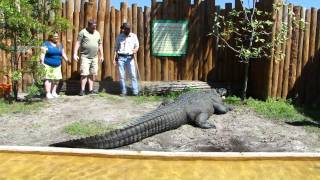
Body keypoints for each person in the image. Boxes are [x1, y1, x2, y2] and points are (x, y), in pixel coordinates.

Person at [73, 19, 104, 96]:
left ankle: (90, 90)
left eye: (95, 26)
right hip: (85, 57)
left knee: (92, 74)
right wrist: (74, 53)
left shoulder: (97, 33)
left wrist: (102, 55)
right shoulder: (83, 32)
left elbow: (100, 44)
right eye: (93, 27)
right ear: (89, 26)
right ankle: (82, 90)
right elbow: (78, 43)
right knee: (84, 74)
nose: (94, 28)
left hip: (94, 57)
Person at [40, 32, 70, 99]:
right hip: (48, 65)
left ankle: (54, 92)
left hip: (57, 65)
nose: (56, 37)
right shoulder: (45, 44)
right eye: (55, 36)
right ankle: (48, 93)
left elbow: (63, 53)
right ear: (50, 37)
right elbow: (42, 54)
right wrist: (42, 62)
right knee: (48, 79)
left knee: (56, 79)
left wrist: (67, 60)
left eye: (57, 36)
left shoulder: (59, 45)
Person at [113, 22, 139, 96]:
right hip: (121, 58)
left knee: (133, 75)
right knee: (121, 76)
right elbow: (116, 49)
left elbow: (137, 46)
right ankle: (123, 91)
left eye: (129, 29)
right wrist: (114, 59)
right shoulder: (119, 37)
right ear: (123, 29)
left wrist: (136, 50)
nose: (128, 30)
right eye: (126, 29)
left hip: (130, 58)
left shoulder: (134, 36)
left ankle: (135, 92)